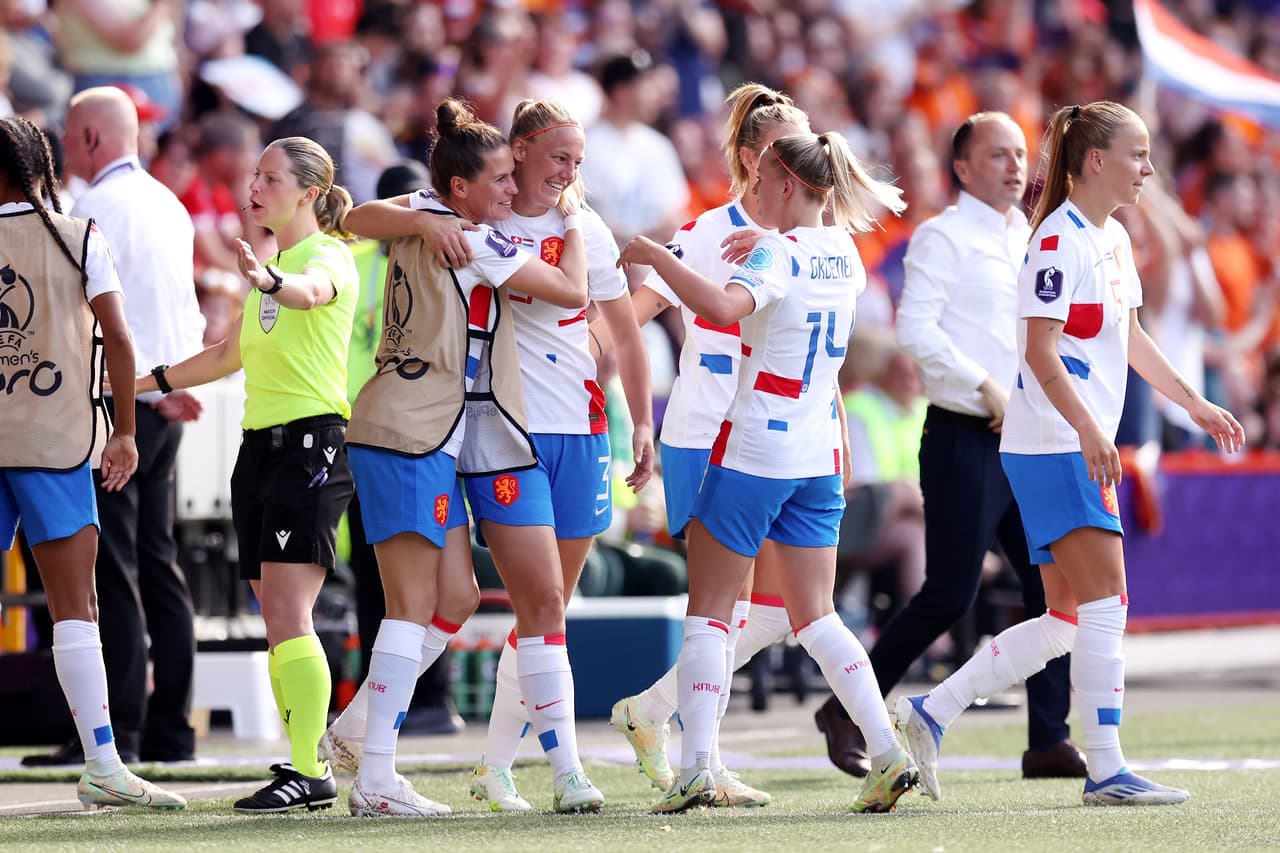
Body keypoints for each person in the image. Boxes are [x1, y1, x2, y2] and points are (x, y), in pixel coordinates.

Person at [894, 101, 1245, 807]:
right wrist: (1089, 430)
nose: (1149, 169)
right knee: (1108, 602)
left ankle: (932, 710)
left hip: (1060, 440)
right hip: (1054, 441)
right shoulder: (1056, 241)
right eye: (1138, 155)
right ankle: (1107, 768)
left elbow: (1132, 339)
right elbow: (1038, 350)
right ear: (1095, 161)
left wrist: (1194, 403)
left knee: (1065, 619)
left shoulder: (1109, 237)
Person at [617, 129, 918, 814]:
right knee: (815, 616)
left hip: (756, 445)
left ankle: (697, 765)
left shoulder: (775, 251)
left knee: (712, 612)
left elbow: (724, 308)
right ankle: (887, 748)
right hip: (818, 451)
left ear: (785, 183)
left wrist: (659, 257)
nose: (754, 198)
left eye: (762, 186)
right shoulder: (843, 249)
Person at [319, 100, 597, 818]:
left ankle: (362, 742)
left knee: (454, 597)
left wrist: (421, 217)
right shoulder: (477, 240)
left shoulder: (434, 213)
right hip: (412, 428)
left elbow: (358, 216)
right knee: (412, 605)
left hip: (428, 429)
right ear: (462, 189)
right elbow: (573, 291)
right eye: (501, 178)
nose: (511, 189)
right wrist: (570, 222)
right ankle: (376, 774)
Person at [814, 111, 1085, 782]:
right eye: (998, 155)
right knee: (950, 592)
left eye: (1020, 153)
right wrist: (986, 386)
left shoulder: (1034, 237)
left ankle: (1048, 736)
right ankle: (846, 706)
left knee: (1054, 586)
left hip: (1025, 436)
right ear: (962, 168)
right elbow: (916, 331)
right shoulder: (942, 236)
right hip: (965, 433)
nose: (1015, 165)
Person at [595, 84, 810, 808]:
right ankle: (700, 756)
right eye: (784, 148)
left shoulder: (804, 243)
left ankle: (656, 713)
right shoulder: (703, 233)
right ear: (752, 159)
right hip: (709, 432)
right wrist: (613, 400)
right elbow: (630, 319)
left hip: (774, 437)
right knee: (727, 602)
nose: (799, 162)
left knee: (771, 608)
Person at [136, 136, 359, 814]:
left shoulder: (325, 256)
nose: (253, 187)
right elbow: (227, 354)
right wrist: (135, 385)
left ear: (309, 194)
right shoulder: (271, 261)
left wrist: (266, 281)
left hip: (311, 447)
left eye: (269, 177)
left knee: (290, 613)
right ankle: (302, 760)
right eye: (253, 175)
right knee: (275, 615)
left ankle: (309, 767)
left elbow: (309, 294)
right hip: (259, 448)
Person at [448, 98, 655, 814]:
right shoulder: (487, 220)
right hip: (506, 432)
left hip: (585, 430)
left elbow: (626, 337)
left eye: (578, 161)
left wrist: (643, 424)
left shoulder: (587, 225)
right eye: (558, 157)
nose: (568, 172)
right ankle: (567, 770)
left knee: (548, 609)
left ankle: (495, 767)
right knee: (542, 604)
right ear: (522, 151)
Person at [0, 114, 185, 810]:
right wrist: (127, 431)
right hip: (57, 436)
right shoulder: (79, 236)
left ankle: (107, 762)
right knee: (76, 608)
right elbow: (120, 338)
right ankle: (103, 761)